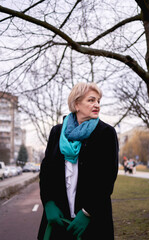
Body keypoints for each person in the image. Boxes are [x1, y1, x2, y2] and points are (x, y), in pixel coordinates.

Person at [38, 82, 119, 240]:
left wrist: (88, 212)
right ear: (76, 104)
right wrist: (48, 203)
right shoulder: (57, 132)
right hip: (59, 219)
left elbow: (107, 178)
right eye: (91, 100)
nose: (96, 105)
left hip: (92, 220)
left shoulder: (106, 133)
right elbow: (46, 172)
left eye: (98, 101)